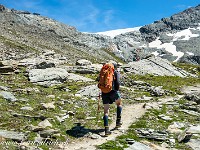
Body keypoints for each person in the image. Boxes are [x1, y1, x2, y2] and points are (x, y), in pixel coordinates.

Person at [101, 63, 122, 136]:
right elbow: (118, 82)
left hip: (104, 92)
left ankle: (106, 130)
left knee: (106, 111)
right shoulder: (115, 72)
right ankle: (118, 122)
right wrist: (117, 89)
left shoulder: (103, 72)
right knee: (119, 104)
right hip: (113, 91)